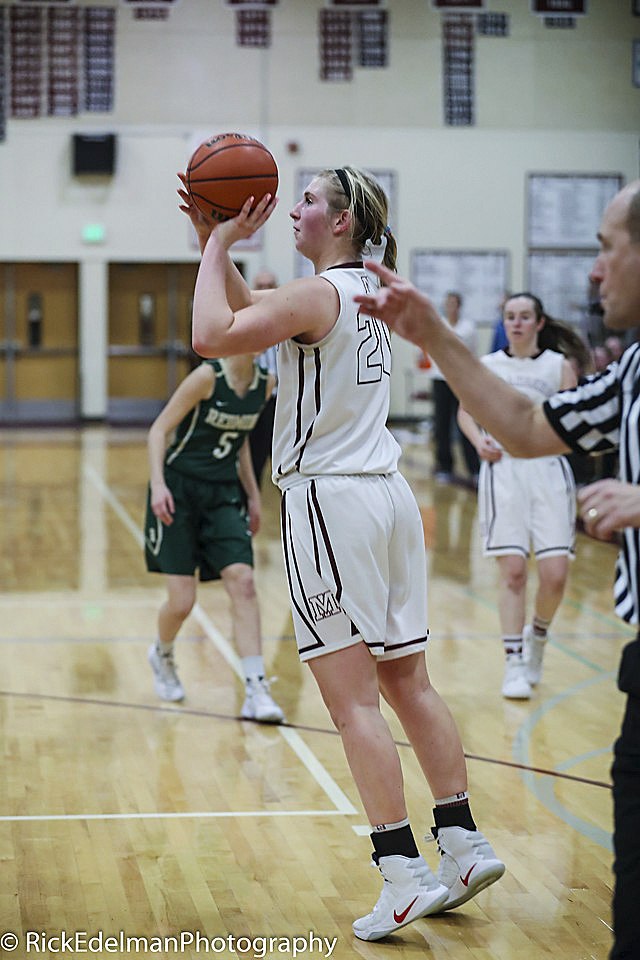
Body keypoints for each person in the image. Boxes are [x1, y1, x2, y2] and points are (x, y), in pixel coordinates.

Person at [185, 165, 504, 942]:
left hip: (330, 503)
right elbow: (246, 304)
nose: (292, 210)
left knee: (352, 699)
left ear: (340, 220)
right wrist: (213, 245)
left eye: (305, 201)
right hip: (387, 499)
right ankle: (461, 842)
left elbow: (209, 334)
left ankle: (400, 873)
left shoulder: (316, 293)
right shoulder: (363, 290)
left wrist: (219, 238)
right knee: (407, 680)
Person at [353, 179, 640, 960]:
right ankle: (515, 665)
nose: (593, 272)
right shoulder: (631, 370)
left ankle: (422, 853)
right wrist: (435, 335)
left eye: (606, 248)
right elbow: (518, 423)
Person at [143, 195, 284, 725]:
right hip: (180, 488)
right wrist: (158, 484)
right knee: (181, 601)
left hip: (225, 491)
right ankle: (161, 652)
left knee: (243, 582)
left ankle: (255, 689)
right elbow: (159, 429)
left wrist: (253, 495)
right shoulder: (209, 376)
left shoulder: (266, 385)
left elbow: (244, 441)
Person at [457, 293, 579, 699]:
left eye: (525, 316)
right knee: (512, 571)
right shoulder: (488, 366)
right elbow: (464, 412)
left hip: (548, 471)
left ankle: (538, 637)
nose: (517, 323)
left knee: (555, 576)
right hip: (504, 471)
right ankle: (513, 661)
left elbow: (574, 421)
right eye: (510, 317)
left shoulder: (559, 367)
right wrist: (478, 443)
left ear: (540, 322)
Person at [429, 292, 480, 485]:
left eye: (454, 303)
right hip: (440, 378)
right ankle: (444, 466)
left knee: (465, 421)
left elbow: (472, 353)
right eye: (447, 303)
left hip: (461, 380)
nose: (450, 307)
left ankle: (474, 468)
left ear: (459, 306)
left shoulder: (469, 328)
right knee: (441, 424)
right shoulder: (438, 323)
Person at [249, 269, 279, 488]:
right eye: (261, 286)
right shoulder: (246, 319)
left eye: (270, 285)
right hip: (256, 399)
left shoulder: (289, 318)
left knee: (283, 459)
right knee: (253, 457)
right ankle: (250, 505)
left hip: (282, 401)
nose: (266, 290)